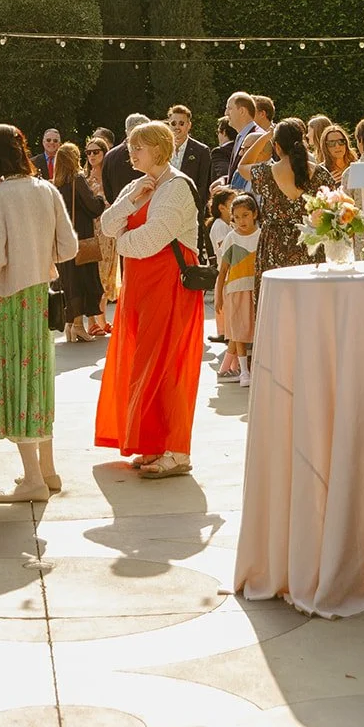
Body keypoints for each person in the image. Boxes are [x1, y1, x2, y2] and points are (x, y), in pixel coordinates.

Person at [94, 120, 203, 480]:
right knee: (142, 363)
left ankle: (177, 451)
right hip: (140, 287)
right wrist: (132, 200)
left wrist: (120, 242)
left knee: (167, 365)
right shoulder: (138, 184)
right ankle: (153, 443)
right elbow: (108, 223)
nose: (131, 153)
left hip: (168, 285)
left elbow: (151, 239)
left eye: (137, 147)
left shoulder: (177, 187)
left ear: (158, 148)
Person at [0, 124, 77, 501]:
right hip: (38, 295)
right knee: (37, 380)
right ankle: (47, 472)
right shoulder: (46, 189)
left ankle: (34, 479)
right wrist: (38, 254)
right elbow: (68, 247)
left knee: (13, 383)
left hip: (7, 299)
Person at [249, 117, 333, 309]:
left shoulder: (265, 173)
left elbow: (242, 164)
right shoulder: (320, 173)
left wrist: (265, 136)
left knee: (277, 305)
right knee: (310, 303)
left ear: (277, 146)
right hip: (310, 241)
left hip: (274, 244)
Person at [53, 142, 106, 341]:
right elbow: (93, 207)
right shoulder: (77, 179)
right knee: (83, 281)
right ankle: (77, 325)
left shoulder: (56, 184)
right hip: (80, 238)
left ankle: (70, 326)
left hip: (62, 241)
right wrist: (99, 197)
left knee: (69, 282)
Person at [216, 193, 260, 387]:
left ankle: (250, 367)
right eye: (237, 217)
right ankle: (244, 372)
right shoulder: (231, 238)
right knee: (239, 332)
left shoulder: (262, 235)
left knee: (255, 329)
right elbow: (223, 271)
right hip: (235, 290)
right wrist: (218, 297)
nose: (241, 221)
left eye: (245, 215)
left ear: (255, 214)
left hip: (256, 289)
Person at [85, 135, 118, 312]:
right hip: (91, 232)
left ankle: (101, 317)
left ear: (104, 153)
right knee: (95, 275)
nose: (92, 155)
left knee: (107, 274)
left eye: (96, 152)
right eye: (88, 152)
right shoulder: (84, 180)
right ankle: (96, 318)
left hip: (109, 232)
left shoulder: (111, 178)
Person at [165, 105, 214, 215]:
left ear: (189, 125)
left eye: (181, 123)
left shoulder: (201, 151)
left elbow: (203, 186)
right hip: (165, 208)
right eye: (173, 123)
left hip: (190, 210)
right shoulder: (161, 149)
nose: (177, 127)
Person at [205, 184, 236, 346]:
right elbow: (224, 247)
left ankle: (225, 332)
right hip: (225, 268)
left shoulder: (228, 224)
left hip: (230, 268)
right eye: (232, 202)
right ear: (222, 207)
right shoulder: (219, 225)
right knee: (224, 302)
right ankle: (225, 333)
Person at [101, 113, 151, 205]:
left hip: (118, 207)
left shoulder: (109, 156)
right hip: (143, 207)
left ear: (126, 131)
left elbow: (108, 193)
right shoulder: (148, 153)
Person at [225, 93, 264, 191]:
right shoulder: (240, 136)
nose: (226, 113)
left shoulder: (258, 138)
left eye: (229, 108)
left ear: (242, 111)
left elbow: (256, 174)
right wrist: (225, 180)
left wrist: (229, 189)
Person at [209, 118, 238, 195]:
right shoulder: (241, 148)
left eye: (218, 132)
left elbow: (223, 173)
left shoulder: (219, 152)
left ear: (224, 132)